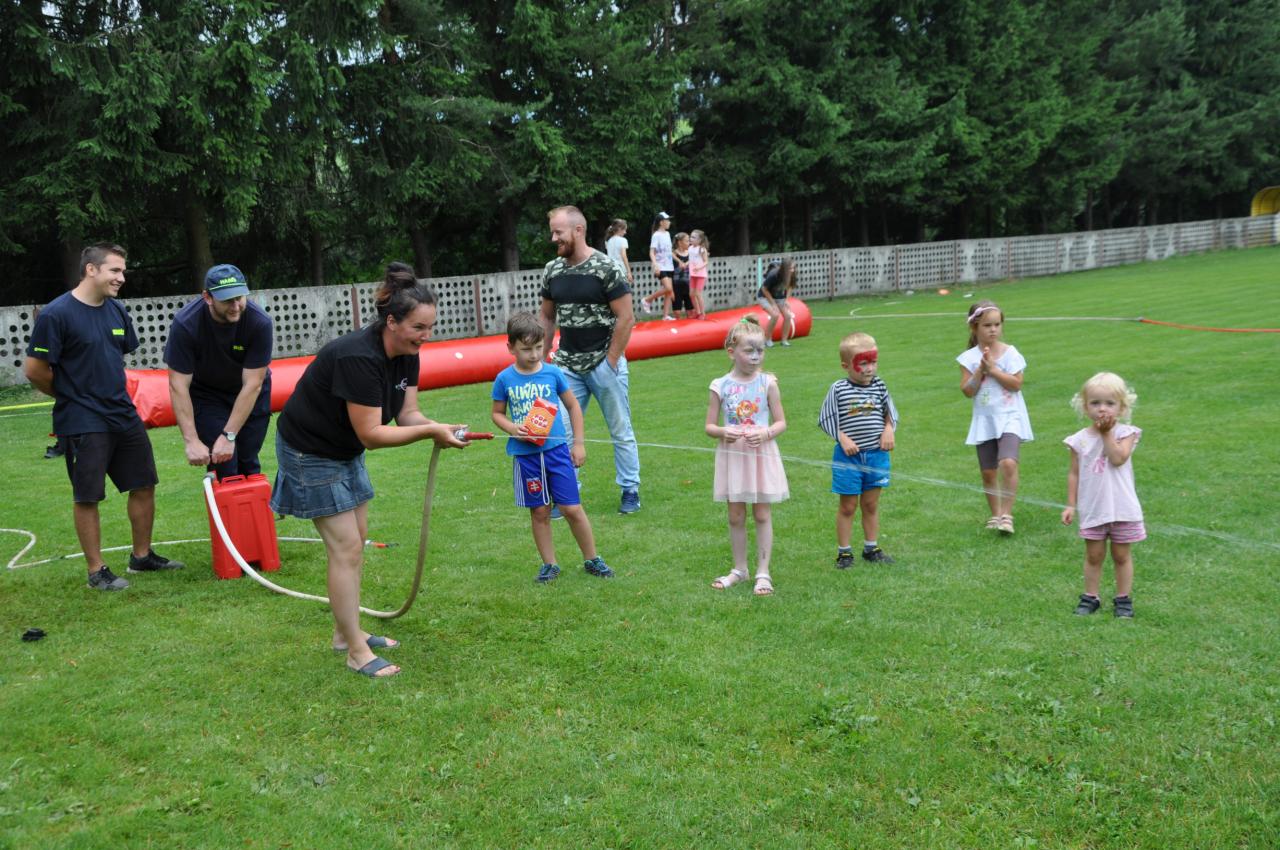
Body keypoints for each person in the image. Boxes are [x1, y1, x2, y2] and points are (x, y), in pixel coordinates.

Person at [270, 262, 469, 678]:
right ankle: (356, 653)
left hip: (344, 449)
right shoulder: (358, 357)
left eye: (430, 327)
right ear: (391, 322)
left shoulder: (407, 354)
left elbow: (407, 414)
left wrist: (438, 427)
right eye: (418, 327)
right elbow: (373, 435)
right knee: (346, 548)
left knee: (356, 540)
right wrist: (430, 432)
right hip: (310, 451)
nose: (426, 336)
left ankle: (346, 634)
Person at [23, 242, 185, 591]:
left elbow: (114, 358)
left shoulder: (116, 311)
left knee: (144, 483)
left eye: (123, 271)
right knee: (88, 495)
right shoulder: (56, 314)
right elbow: (35, 370)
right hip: (83, 419)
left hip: (123, 414)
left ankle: (141, 556)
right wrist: (71, 396)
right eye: (115, 270)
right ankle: (96, 571)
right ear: (91, 269)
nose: (121, 278)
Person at [491, 312, 615, 583]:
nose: (534, 355)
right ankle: (550, 565)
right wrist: (512, 427)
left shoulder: (553, 373)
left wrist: (578, 444)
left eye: (539, 347)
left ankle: (592, 558)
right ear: (510, 347)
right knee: (540, 512)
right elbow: (497, 414)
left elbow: (573, 406)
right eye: (526, 349)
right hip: (526, 458)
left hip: (557, 453)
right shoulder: (504, 379)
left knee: (572, 508)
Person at [539, 205, 642, 515]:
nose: (553, 238)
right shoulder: (552, 270)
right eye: (552, 232)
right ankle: (567, 493)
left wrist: (610, 361)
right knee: (562, 432)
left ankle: (630, 489)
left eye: (558, 232)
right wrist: (542, 362)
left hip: (603, 363)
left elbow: (626, 317)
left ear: (578, 230)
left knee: (620, 429)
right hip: (567, 366)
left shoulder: (606, 268)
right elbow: (547, 318)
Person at [165, 263, 273, 480]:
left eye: (239, 298)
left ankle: (252, 503)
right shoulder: (186, 324)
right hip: (208, 395)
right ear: (207, 297)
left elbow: (253, 384)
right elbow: (178, 385)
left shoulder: (259, 322)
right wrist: (191, 440)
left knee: (248, 463)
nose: (235, 306)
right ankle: (223, 498)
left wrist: (229, 435)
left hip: (249, 393)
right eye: (227, 300)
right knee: (225, 465)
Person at [706, 316, 788, 596]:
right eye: (749, 350)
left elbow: (781, 422)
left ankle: (763, 572)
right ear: (732, 352)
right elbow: (709, 426)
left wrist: (766, 433)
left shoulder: (768, 383)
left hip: (760, 455)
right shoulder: (720, 385)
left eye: (760, 350)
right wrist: (722, 431)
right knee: (735, 515)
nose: (755, 357)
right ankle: (740, 569)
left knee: (762, 513)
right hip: (734, 456)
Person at [1061, 372, 1144, 618]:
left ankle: (1123, 599)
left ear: (1122, 407)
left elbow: (1118, 458)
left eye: (1110, 403)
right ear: (1085, 407)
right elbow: (1074, 473)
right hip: (1093, 508)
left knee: (1121, 555)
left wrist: (1107, 433)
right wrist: (1070, 504)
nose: (1102, 409)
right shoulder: (1079, 440)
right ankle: (1090, 597)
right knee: (1094, 555)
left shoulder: (1126, 433)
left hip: (1122, 508)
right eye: (1095, 403)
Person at [818, 332, 898, 567]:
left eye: (873, 362)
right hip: (848, 459)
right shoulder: (838, 389)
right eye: (862, 363)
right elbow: (826, 418)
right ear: (846, 365)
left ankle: (871, 548)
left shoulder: (879, 385)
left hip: (876, 456)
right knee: (848, 506)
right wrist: (842, 438)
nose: (869, 368)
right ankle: (844, 552)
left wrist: (889, 429)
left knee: (870, 504)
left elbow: (890, 413)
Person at [957, 299, 1032, 534]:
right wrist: (980, 370)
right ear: (974, 327)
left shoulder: (1011, 353)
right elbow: (968, 391)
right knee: (988, 471)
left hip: (1010, 417)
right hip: (985, 420)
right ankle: (996, 514)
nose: (993, 330)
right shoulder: (968, 358)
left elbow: (1016, 384)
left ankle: (1007, 515)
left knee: (1008, 462)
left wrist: (994, 370)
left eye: (997, 324)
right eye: (987, 325)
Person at [640, 212, 675, 319]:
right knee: (668, 288)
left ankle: (665, 316)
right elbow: (651, 252)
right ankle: (647, 299)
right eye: (667, 220)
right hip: (660, 266)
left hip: (669, 266)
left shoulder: (667, 234)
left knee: (668, 291)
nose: (669, 222)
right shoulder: (656, 235)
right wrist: (655, 265)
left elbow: (668, 251)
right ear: (661, 222)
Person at [757, 259, 797, 346]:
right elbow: (764, 289)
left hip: (779, 298)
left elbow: (791, 287)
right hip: (764, 297)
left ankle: (784, 341)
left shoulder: (792, 275)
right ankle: (767, 340)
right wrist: (773, 304)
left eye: (793, 268)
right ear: (784, 268)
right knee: (775, 315)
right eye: (790, 268)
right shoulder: (774, 275)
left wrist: (786, 300)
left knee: (788, 316)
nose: (792, 270)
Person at [670, 231, 693, 319]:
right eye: (687, 241)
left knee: (690, 311)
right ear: (679, 243)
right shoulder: (673, 254)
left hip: (689, 285)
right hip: (676, 286)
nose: (689, 243)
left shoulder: (691, 253)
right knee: (677, 312)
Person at [688, 229, 710, 319]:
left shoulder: (702, 249)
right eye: (691, 237)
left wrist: (699, 267)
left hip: (701, 275)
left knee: (697, 293)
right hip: (693, 274)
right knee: (691, 294)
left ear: (699, 240)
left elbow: (706, 262)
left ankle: (703, 313)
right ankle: (697, 312)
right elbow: (691, 260)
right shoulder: (690, 248)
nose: (691, 238)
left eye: (693, 237)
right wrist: (685, 264)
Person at [605, 219, 634, 284]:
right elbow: (624, 256)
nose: (625, 232)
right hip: (620, 269)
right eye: (624, 230)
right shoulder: (623, 240)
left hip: (610, 268)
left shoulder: (608, 241)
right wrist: (629, 272)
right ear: (620, 229)